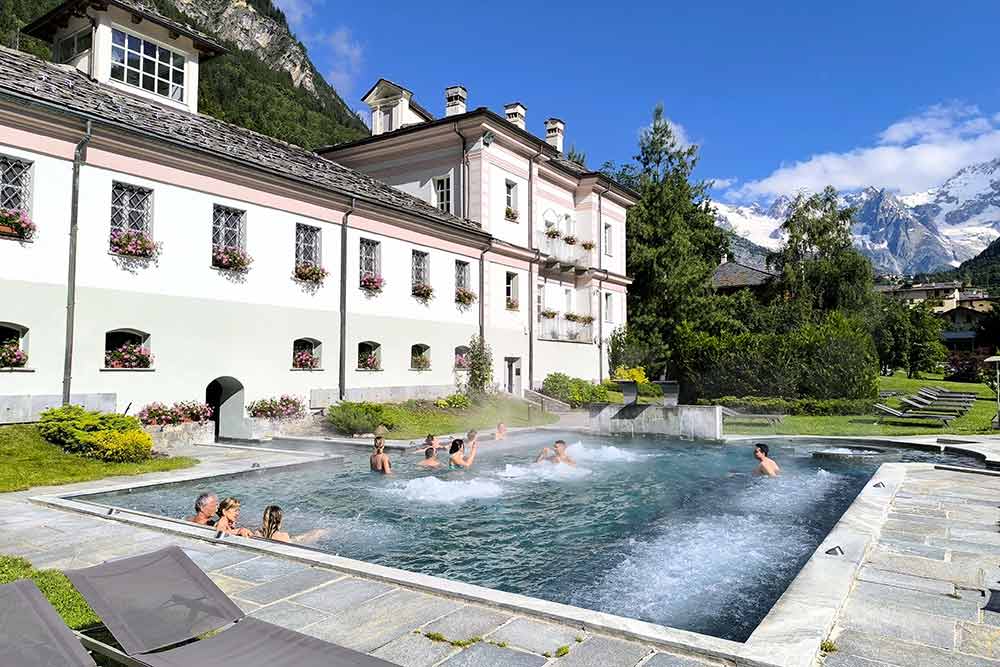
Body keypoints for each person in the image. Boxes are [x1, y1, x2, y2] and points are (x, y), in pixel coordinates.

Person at [255, 505, 327, 544]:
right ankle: (322, 531)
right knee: (317, 533)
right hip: (290, 543)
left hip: (285, 541)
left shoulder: (258, 533)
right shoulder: (284, 536)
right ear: (279, 521)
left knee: (299, 537)